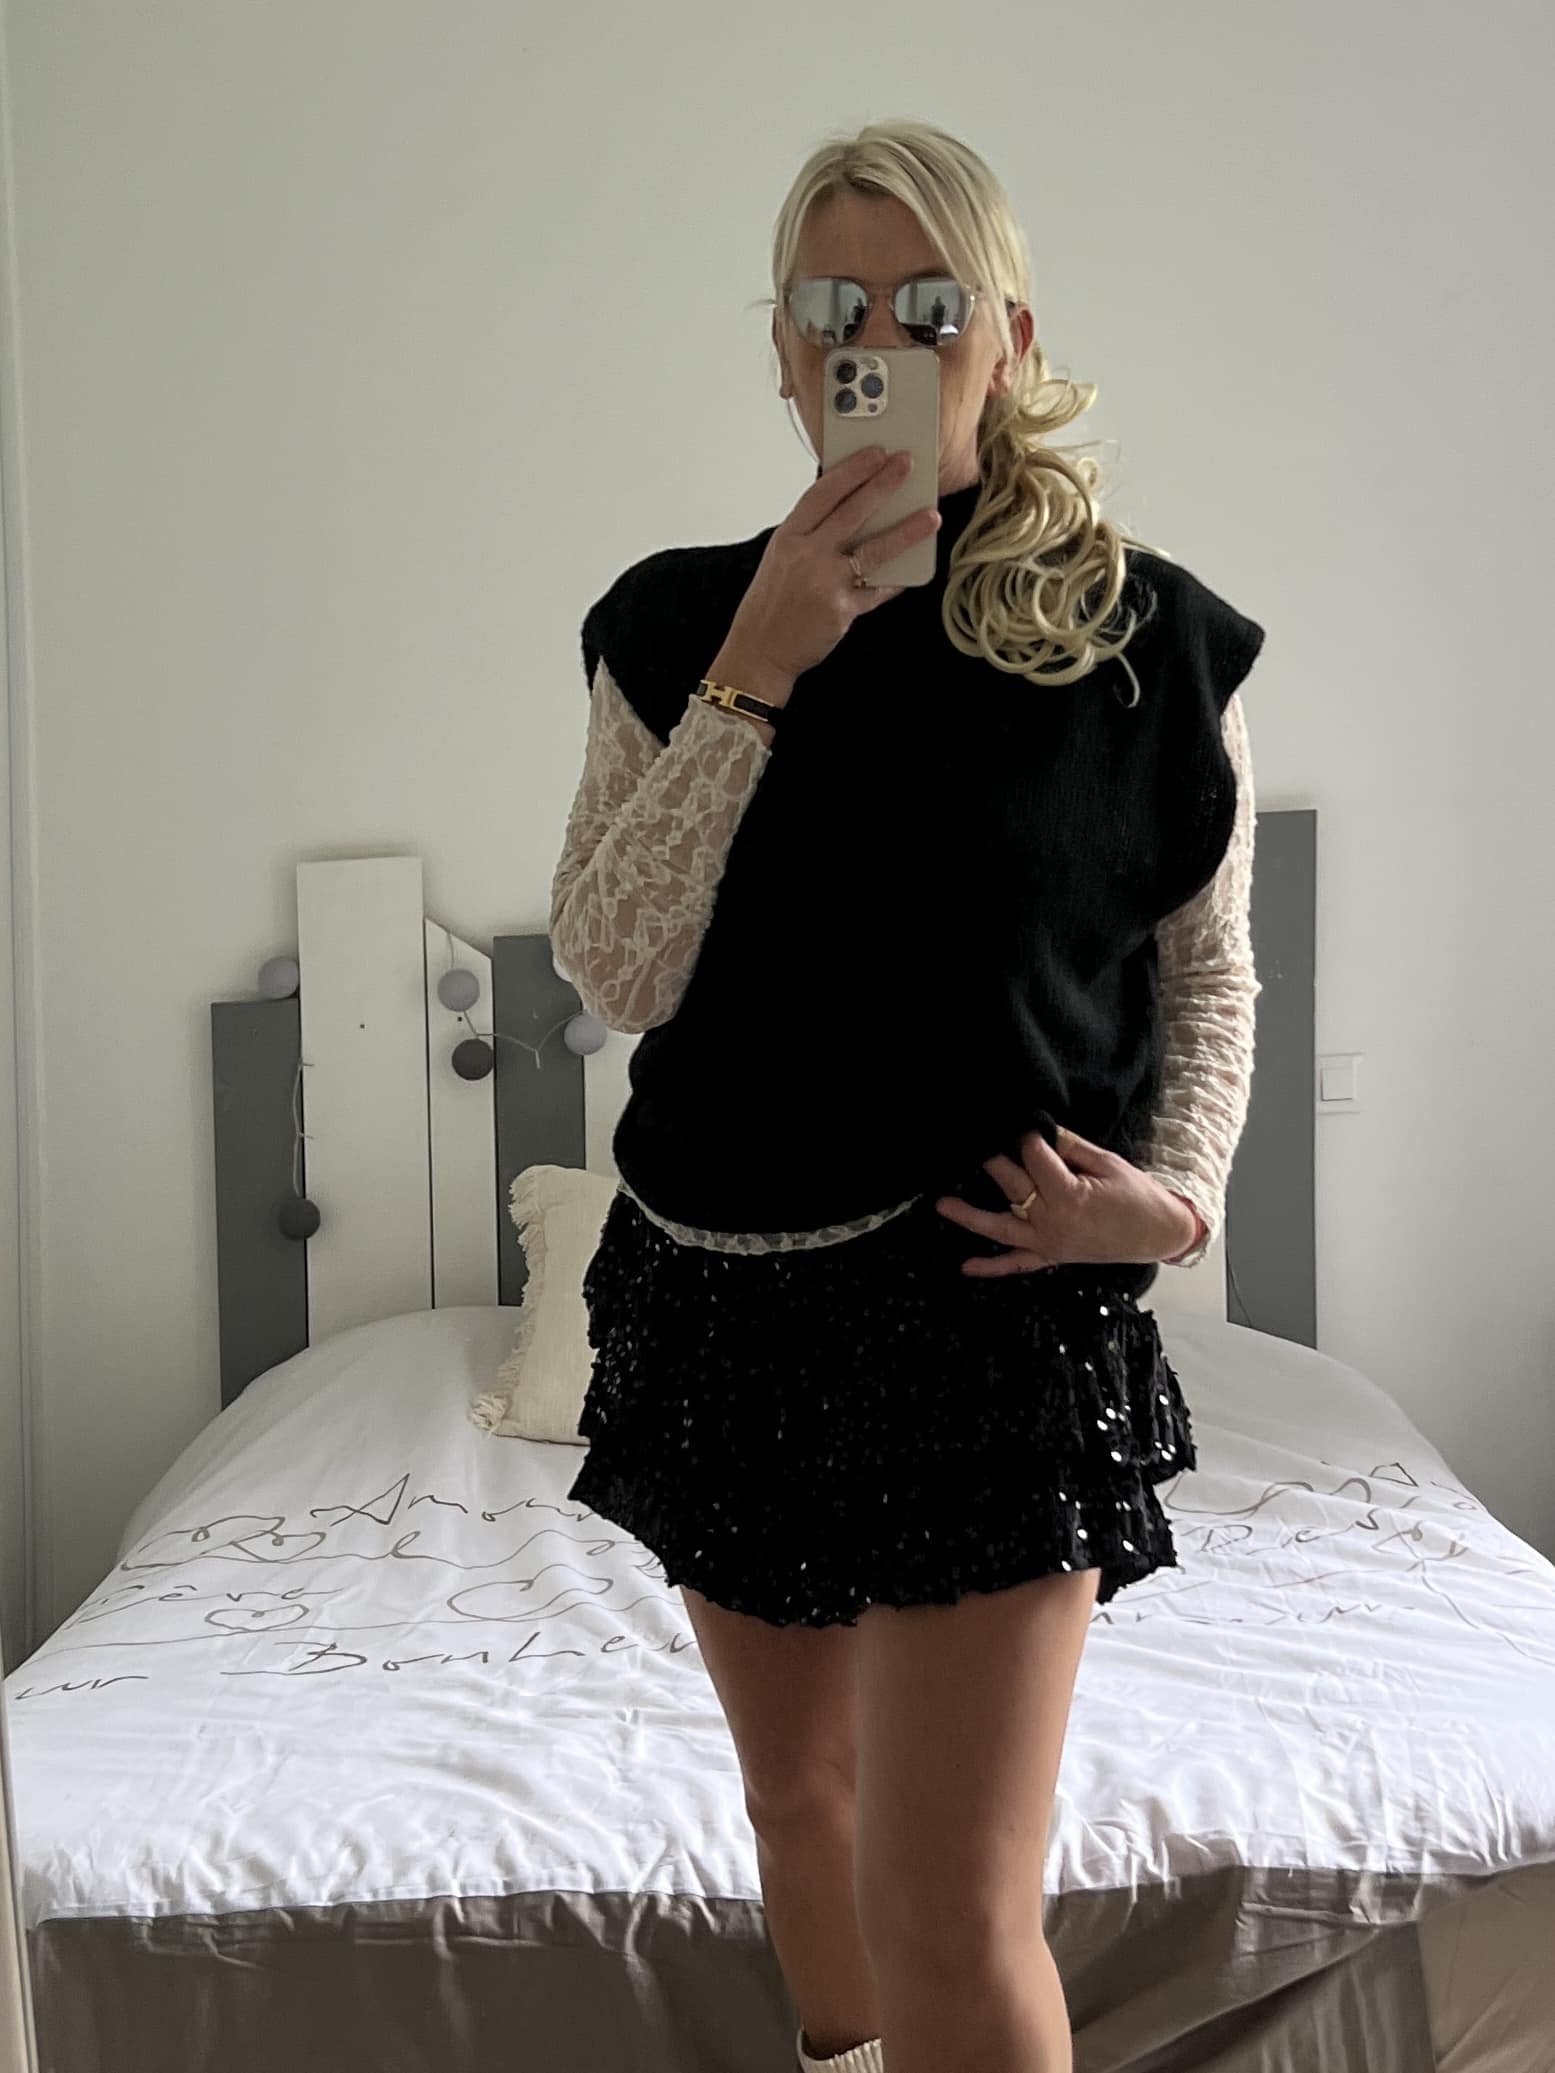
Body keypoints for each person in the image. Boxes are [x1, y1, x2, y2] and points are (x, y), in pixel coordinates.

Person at [549, 118, 1263, 2073]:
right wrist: (760, 667)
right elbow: (615, 963)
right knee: (802, 1810)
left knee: (950, 1904)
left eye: (928, 304)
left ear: (1006, 339)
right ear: (782, 352)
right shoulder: (673, 624)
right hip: (725, 1295)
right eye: (833, 306)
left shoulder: (1148, 643)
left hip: (992, 1314)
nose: (879, 338)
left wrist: (1176, 1200)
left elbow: (1206, 980)